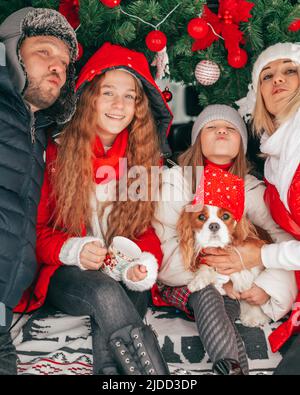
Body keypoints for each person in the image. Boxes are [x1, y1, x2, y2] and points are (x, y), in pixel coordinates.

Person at [14, 42, 172, 375]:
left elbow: (144, 230)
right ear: (90, 98)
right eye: (108, 93)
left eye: (129, 96)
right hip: (68, 274)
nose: (119, 105)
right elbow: (37, 233)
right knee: (105, 291)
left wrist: (141, 264)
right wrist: (76, 249)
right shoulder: (56, 153)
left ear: (139, 106)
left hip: (120, 270)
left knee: (132, 293)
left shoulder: (144, 159)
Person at [152, 104, 297, 375]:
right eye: (211, 127)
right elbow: (164, 248)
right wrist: (217, 275)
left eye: (231, 128)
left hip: (239, 286)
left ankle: (231, 368)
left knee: (225, 306)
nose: (221, 129)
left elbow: (283, 241)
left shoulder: (252, 190)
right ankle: (231, 366)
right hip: (185, 280)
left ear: (242, 143)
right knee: (207, 294)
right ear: (197, 140)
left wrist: (268, 286)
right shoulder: (176, 181)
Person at [205, 43, 300, 374]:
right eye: (267, 75)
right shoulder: (277, 155)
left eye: (291, 70)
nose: (278, 80)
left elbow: (274, 239)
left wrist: (258, 258)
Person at [0, 7, 78, 375]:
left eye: (64, 62)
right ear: (11, 53)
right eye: (44, 52)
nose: (57, 67)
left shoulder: (38, 133)